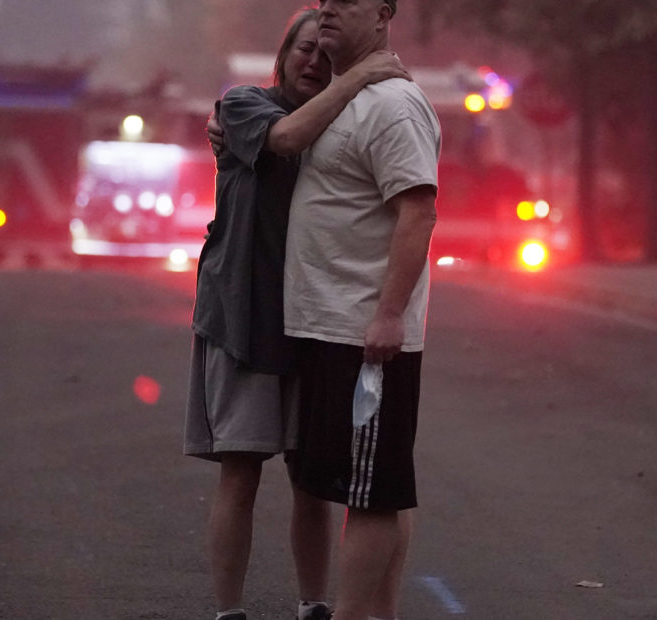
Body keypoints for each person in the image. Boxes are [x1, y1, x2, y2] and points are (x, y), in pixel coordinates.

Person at [184, 8, 409, 620]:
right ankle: (230, 611)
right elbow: (285, 139)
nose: (313, 61)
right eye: (302, 50)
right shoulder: (243, 107)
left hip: (316, 324)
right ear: (281, 57)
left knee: (312, 481)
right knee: (241, 472)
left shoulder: (335, 123)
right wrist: (358, 77)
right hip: (243, 320)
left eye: (324, 53)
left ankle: (313, 605)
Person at [282, 1, 440, 619]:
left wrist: (389, 315)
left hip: (362, 334)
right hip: (325, 327)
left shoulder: (394, 106)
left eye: (346, 4)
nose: (328, 13)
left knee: (371, 494)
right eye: (324, 3)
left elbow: (418, 212)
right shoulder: (342, 98)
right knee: (361, 485)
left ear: (382, 14)